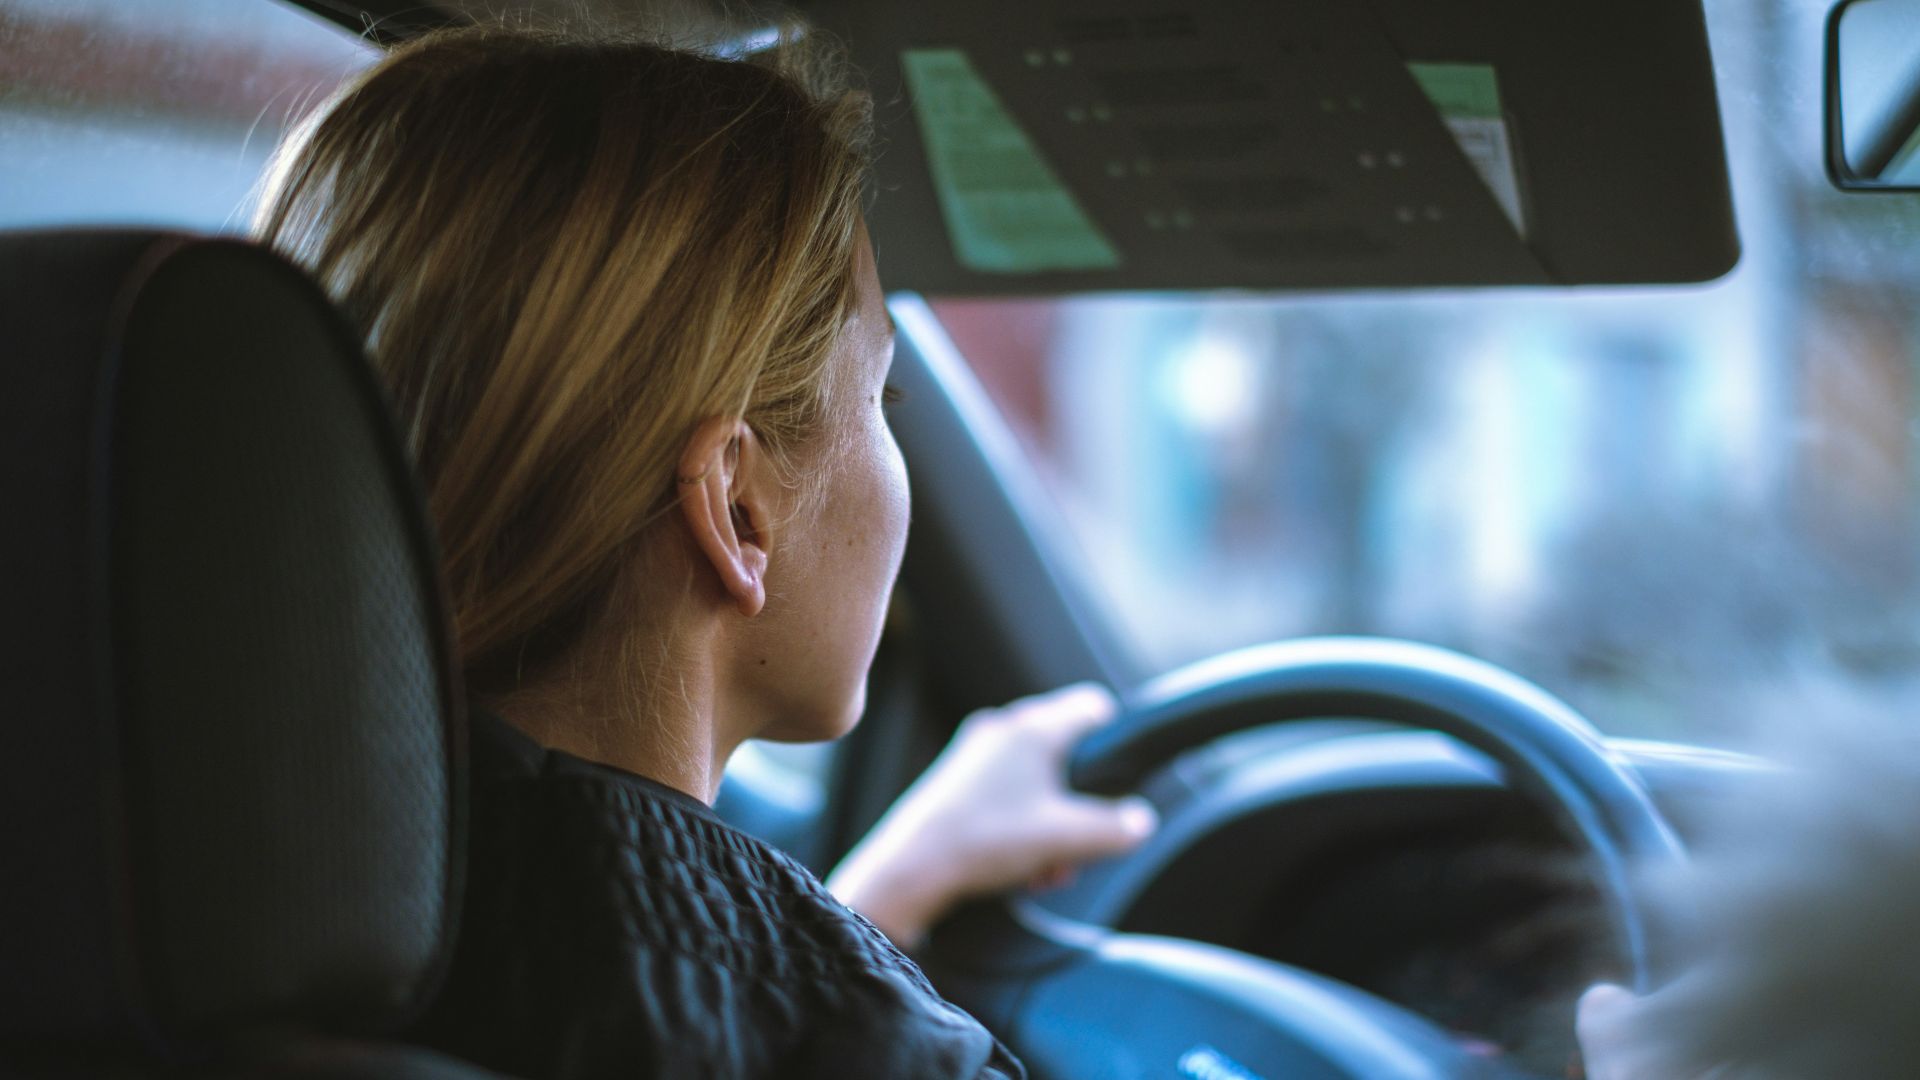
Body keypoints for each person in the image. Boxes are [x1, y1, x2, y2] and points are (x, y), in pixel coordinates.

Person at [257, 21, 1650, 1080]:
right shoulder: (868, 1053)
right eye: (886, 400)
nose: (895, 450)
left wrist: (877, 903)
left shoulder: (226, 921)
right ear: (736, 512)